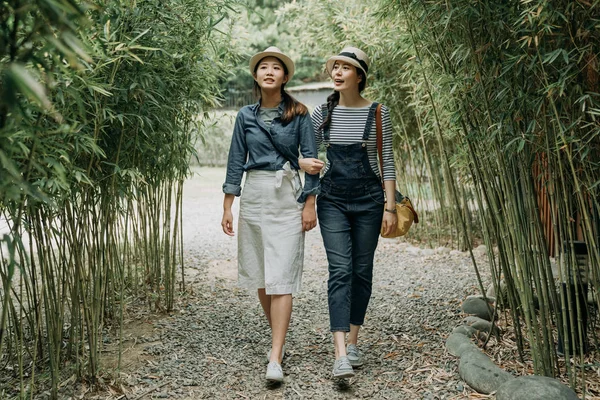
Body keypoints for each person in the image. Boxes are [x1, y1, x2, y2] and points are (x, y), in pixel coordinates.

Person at [221, 47, 320, 383]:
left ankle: (275, 356)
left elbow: (312, 158)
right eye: (263, 67)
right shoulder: (244, 116)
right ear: (255, 76)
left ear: (285, 77)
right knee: (263, 276)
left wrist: (310, 203)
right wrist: (227, 206)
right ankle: (280, 340)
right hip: (255, 194)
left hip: (287, 194)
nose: (269, 71)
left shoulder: (299, 113)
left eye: (276, 67)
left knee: (282, 276)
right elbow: (236, 160)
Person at [301, 46, 398, 378]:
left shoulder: (378, 113)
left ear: (360, 76)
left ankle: (354, 341)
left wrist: (390, 207)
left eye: (346, 67)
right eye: (336, 67)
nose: (338, 72)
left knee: (361, 271)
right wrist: (309, 194)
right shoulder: (320, 115)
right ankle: (340, 352)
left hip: (370, 200)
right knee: (340, 270)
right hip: (333, 200)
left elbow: (387, 163)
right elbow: (306, 157)